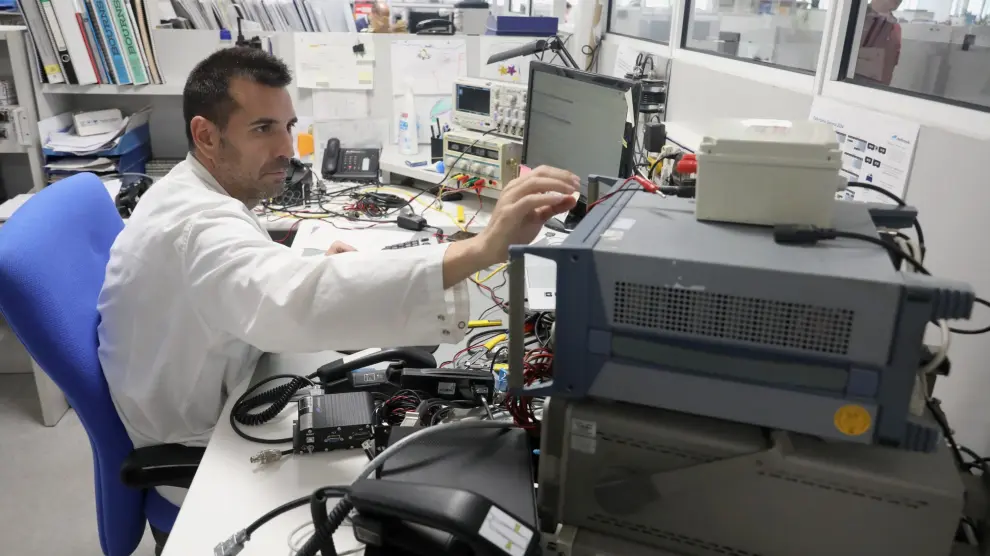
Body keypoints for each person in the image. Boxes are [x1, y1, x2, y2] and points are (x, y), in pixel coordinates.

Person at [97, 47, 577, 511]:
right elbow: (289, 302)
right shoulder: (195, 227)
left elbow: (247, 276)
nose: (286, 148)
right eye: (262, 129)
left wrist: (309, 263)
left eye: (288, 127)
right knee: (398, 495)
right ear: (205, 135)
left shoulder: (192, 194)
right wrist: (480, 249)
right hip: (203, 453)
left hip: (229, 386)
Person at [856, 0, 902, 86]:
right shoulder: (854, 15)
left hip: (878, 89)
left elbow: (891, 63)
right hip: (850, 85)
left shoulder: (895, 27)